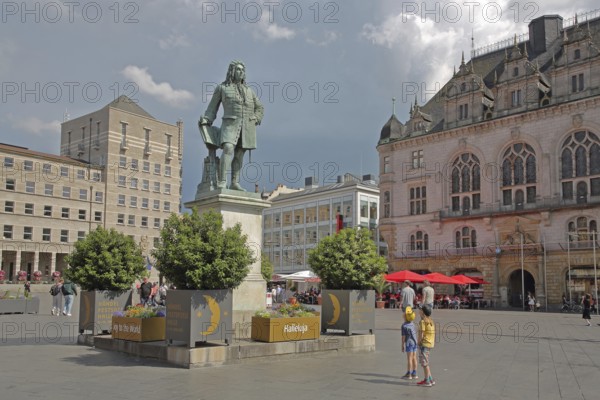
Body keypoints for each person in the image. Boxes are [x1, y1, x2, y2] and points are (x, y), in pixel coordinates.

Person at [200, 60, 264, 190]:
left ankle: (235, 182)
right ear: (232, 72)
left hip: (247, 128)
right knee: (228, 148)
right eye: (238, 70)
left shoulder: (250, 91)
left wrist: (256, 118)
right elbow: (212, 108)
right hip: (230, 125)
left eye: (242, 70)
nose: (241, 72)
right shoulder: (222, 88)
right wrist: (207, 119)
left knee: (240, 154)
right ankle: (222, 181)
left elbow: (260, 107)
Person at [417, 304, 436, 387]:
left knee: (424, 363)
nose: (419, 312)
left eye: (420, 310)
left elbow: (421, 333)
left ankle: (427, 381)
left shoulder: (422, 321)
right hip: (430, 344)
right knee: (426, 362)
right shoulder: (431, 321)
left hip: (424, 344)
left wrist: (419, 342)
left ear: (423, 312)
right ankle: (430, 379)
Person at [401, 306, 419, 380]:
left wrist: (402, 344)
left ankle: (409, 373)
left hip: (409, 343)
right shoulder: (413, 324)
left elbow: (403, 337)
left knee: (409, 358)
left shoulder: (404, 326)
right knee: (414, 357)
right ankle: (414, 373)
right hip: (415, 342)